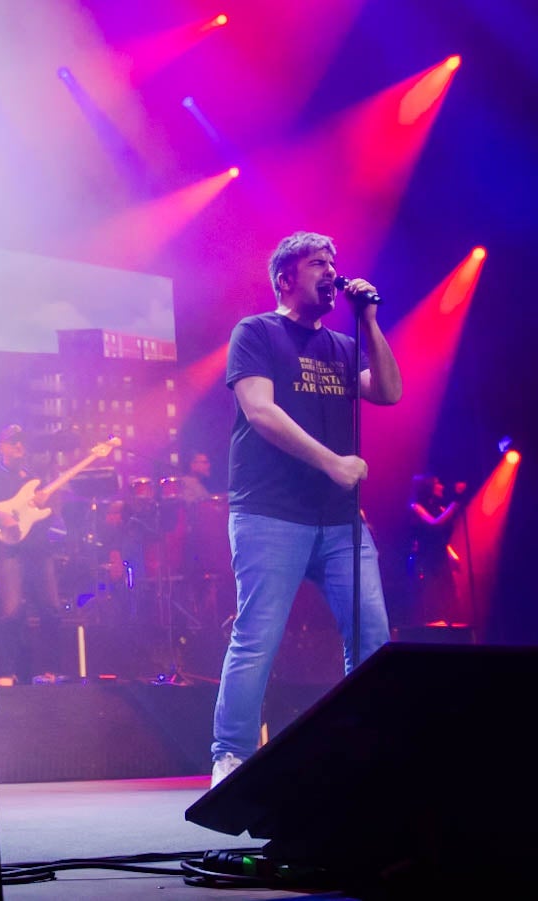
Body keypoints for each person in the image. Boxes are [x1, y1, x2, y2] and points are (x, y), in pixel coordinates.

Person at [210, 231, 402, 787]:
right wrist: (334, 464)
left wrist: (367, 321)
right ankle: (231, 757)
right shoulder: (257, 332)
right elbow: (261, 412)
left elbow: (389, 392)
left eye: (334, 262)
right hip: (270, 513)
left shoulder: (343, 345)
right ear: (284, 279)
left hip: (340, 521)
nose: (331, 270)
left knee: (372, 639)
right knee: (258, 636)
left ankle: (369, 753)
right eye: (317, 262)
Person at [0, 424, 66, 684]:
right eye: (14, 442)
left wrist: (51, 504)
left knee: (51, 609)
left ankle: (49, 670)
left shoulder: (34, 479)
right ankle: (6, 672)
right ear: (2, 447)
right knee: (11, 611)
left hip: (40, 549)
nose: (21, 446)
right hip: (11, 552)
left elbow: (51, 515)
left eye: (23, 442)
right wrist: (1, 516)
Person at [406, 473, 469, 628]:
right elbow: (434, 524)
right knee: (430, 591)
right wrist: (454, 503)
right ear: (428, 487)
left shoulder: (440, 508)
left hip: (440, 556)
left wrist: (452, 554)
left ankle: (450, 623)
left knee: (449, 591)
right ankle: (433, 624)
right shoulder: (416, 507)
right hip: (425, 558)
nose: (441, 486)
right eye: (437, 483)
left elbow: (443, 539)